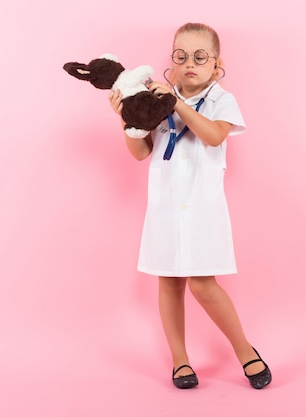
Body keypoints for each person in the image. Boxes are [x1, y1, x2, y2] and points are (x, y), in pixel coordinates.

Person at [108, 23, 272, 389]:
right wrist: (127, 118)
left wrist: (175, 102)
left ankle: (245, 351)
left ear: (217, 64)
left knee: (203, 284)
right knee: (169, 282)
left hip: (202, 208)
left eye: (199, 57)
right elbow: (140, 153)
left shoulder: (221, 100)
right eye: (180, 57)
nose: (189, 64)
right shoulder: (155, 100)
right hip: (165, 206)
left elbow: (214, 136)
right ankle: (181, 362)